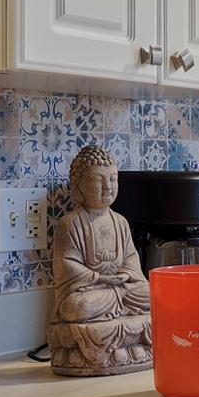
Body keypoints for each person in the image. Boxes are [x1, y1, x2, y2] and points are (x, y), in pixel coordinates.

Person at [47, 145, 153, 375]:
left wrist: (125, 275)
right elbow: (67, 263)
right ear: (78, 187)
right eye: (98, 181)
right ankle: (118, 349)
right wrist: (99, 277)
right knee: (78, 307)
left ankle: (117, 347)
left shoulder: (120, 222)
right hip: (91, 294)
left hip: (120, 290)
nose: (107, 187)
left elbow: (130, 257)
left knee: (153, 295)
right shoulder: (70, 223)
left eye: (113, 180)